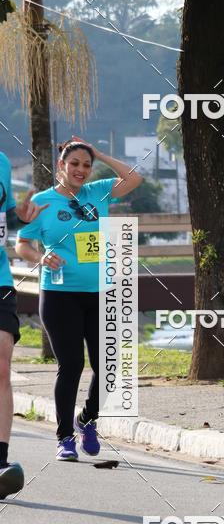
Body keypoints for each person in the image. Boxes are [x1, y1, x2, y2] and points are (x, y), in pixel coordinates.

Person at [16, 137, 142, 461]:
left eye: (87, 165)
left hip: (101, 293)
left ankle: (86, 419)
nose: (81, 170)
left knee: (108, 367)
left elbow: (134, 178)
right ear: (61, 166)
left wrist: (98, 153)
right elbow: (22, 244)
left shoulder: (97, 192)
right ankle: (64, 438)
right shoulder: (43, 201)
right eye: (74, 163)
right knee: (71, 365)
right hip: (60, 296)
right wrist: (41, 258)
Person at [0, 151, 49, 498]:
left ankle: (0, 463)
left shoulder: (2, 161)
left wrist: (19, 215)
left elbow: (6, 217)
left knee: (2, 368)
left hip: (0, 280)